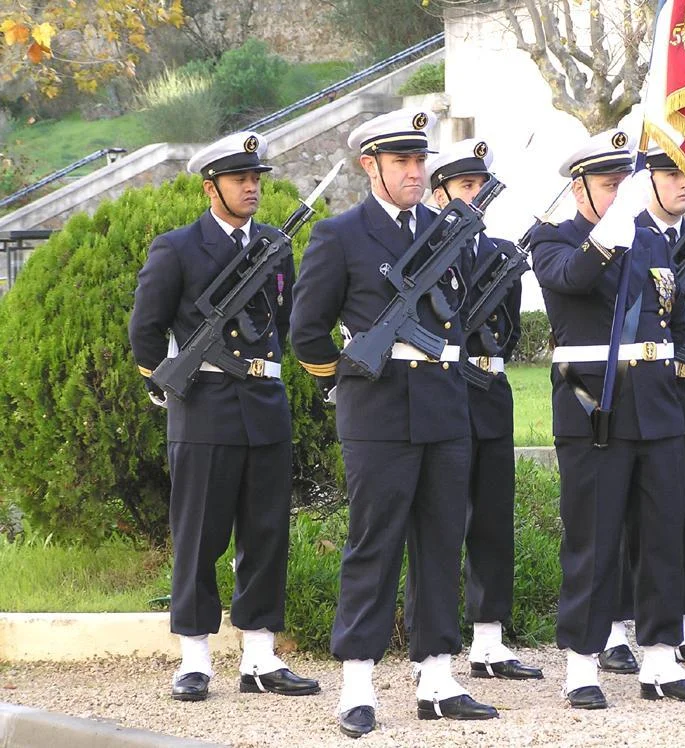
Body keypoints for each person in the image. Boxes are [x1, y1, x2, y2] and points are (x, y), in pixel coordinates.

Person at [289, 110, 498, 738]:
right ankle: (357, 683)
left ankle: (435, 675)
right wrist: (344, 384)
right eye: (402, 161)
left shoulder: (445, 230)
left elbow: (456, 321)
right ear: (369, 166)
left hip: (442, 404)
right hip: (376, 410)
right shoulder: (339, 235)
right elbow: (306, 331)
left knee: (440, 542)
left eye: (420, 160)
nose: (415, 171)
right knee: (374, 544)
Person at [129, 131, 319, 702]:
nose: (253, 187)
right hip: (205, 408)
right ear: (211, 187)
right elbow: (146, 330)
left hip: (264, 406)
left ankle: (259, 657)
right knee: (200, 536)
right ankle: (194, 658)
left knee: (266, 534)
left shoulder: (274, 245)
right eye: (240, 179)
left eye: (257, 178)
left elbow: (280, 324)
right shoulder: (178, 247)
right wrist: (167, 385)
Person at [530, 129, 685, 709]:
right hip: (595, 410)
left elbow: (677, 312)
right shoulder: (553, 239)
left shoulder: (651, 243)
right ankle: (582, 664)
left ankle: (660, 659)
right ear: (579, 187)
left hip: (658, 405)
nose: (620, 195)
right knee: (593, 538)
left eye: (624, 184)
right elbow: (571, 281)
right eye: (610, 184)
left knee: (663, 535)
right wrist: (608, 238)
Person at [600, 142, 685, 672]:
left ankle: (684, 621)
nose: (684, 183)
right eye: (670, 172)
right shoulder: (628, 236)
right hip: (640, 386)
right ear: (646, 179)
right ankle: (612, 626)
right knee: (624, 508)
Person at [415, 138, 543, 681]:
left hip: (489, 390)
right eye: (466, 186)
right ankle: (430, 648)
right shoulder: (422, 249)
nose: (476, 196)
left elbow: (506, 331)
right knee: (438, 525)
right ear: (440, 192)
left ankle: (488, 642)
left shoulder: (496, 250)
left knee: (492, 518)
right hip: (442, 393)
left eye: (480, 186)